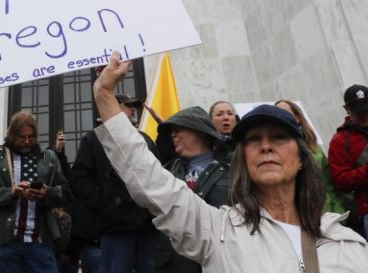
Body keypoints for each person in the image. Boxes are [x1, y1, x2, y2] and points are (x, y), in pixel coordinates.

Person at [91, 51, 368, 272]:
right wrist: (105, 95)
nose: (266, 146)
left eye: (279, 137)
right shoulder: (216, 231)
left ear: (301, 160)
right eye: (254, 139)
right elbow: (149, 179)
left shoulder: (347, 243)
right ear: (242, 160)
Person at [0, 111, 72, 273]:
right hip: (6, 243)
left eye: (31, 137)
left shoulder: (49, 158)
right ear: (12, 135)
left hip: (40, 241)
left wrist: (47, 194)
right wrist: (11, 193)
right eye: (22, 137)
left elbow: (66, 193)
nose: (27, 141)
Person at [71, 93, 158, 273]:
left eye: (135, 106)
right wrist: (104, 205)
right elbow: (80, 177)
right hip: (115, 228)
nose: (134, 110)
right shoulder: (93, 139)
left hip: (147, 225)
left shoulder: (144, 138)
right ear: (111, 107)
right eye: (128, 105)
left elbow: (159, 171)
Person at [153, 106, 230, 273]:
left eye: (179, 129)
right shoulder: (164, 173)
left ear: (200, 131)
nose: (173, 134)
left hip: (220, 262)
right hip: (173, 266)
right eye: (172, 131)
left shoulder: (234, 171)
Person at [274, 100, 345, 215]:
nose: (280, 116)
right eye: (276, 113)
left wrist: (339, 211)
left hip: (325, 213)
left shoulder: (315, 148)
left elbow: (328, 184)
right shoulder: (274, 150)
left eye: (284, 112)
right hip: (296, 216)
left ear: (298, 117)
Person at [328, 84, 368, 238]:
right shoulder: (340, 140)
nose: (364, 115)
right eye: (360, 112)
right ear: (346, 109)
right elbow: (340, 181)